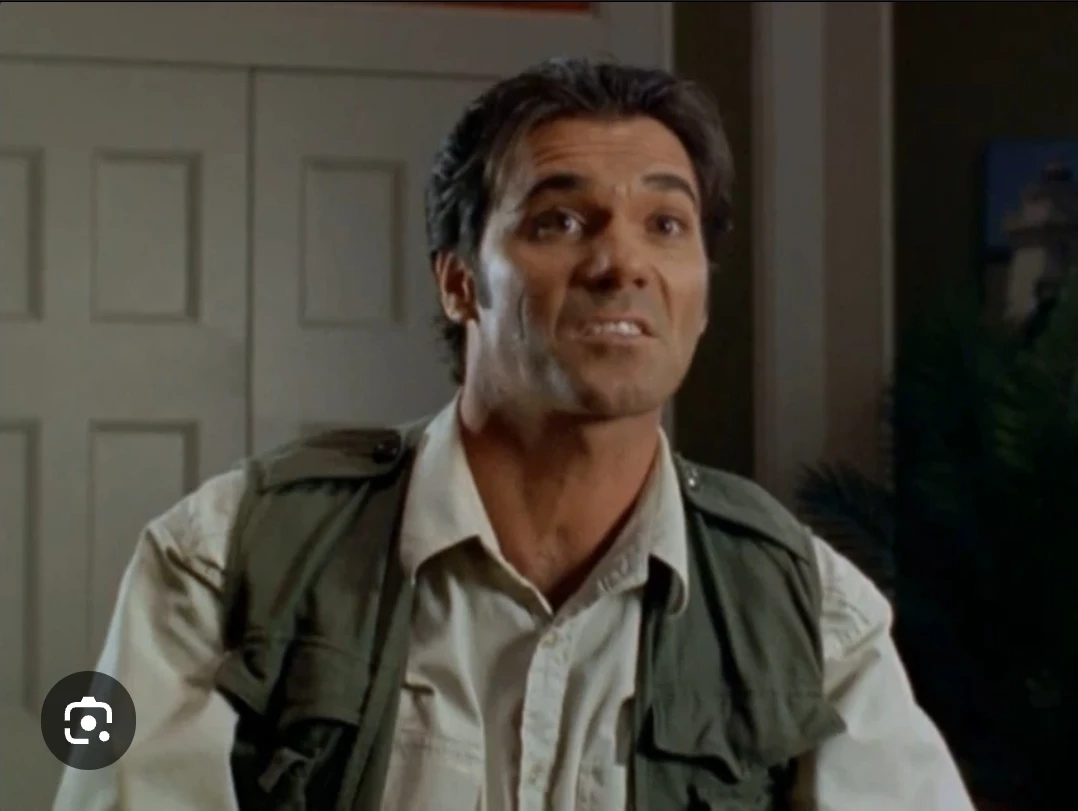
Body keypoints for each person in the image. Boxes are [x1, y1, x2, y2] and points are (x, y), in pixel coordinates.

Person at [53, 58, 975, 811]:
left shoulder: (809, 613)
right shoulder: (227, 558)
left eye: (666, 223)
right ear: (460, 282)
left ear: (699, 294)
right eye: (559, 220)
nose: (621, 262)